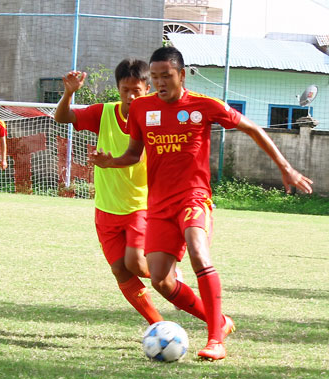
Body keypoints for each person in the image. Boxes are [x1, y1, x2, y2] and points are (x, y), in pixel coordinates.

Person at [91, 47, 313, 360]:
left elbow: (251, 127)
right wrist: (109, 162)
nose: (159, 82)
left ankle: (215, 342)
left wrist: (285, 168)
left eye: (166, 76)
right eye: (154, 77)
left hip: (193, 197)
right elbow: (133, 154)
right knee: (160, 280)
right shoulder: (142, 108)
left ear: (182, 75)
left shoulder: (204, 106)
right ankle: (219, 323)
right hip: (157, 207)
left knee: (197, 250)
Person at [54, 59, 165, 325]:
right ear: (118, 89)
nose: (130, 96)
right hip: (106, 207)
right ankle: (159, 326)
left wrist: (111, 162)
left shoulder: (156, 117)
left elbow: (139, 157)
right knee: (119, 269)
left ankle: (169, 275)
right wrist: (69, 93)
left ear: (147, 88)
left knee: (137, 263)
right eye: (125, 90)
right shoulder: (103, 113)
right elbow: (62, 118)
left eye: (136, 90)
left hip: (140, 204)